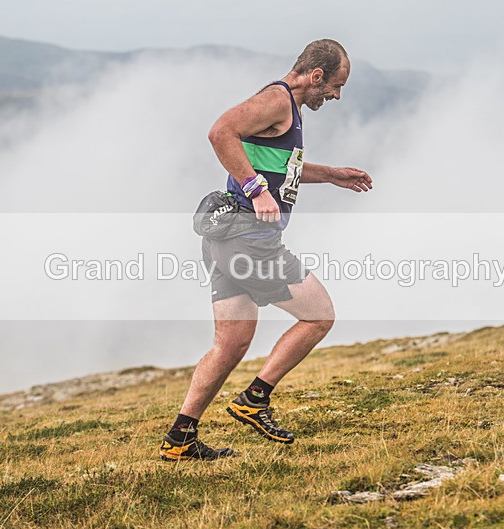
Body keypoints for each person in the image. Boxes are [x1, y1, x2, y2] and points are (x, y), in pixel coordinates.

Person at [159, 39, 373, 461]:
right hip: (250, 239)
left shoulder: (284, 106)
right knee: (319, 315)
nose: (336, 96)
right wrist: (256, 190)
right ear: (316, 76)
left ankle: (180, 439)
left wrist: (330, 175)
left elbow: (281, 167)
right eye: (335, 86)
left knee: (231, 344)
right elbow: (221, 132)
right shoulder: (277, 99)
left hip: (225, 240)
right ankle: (254, 399)